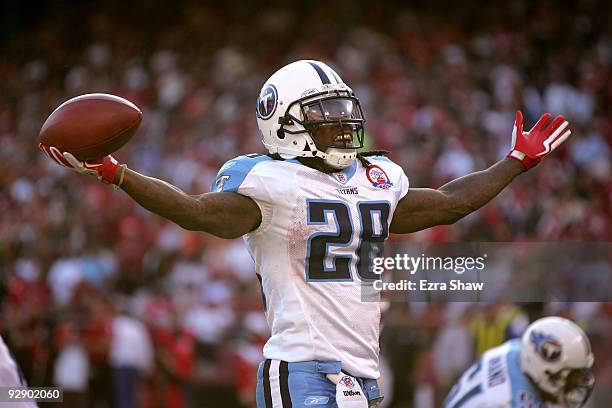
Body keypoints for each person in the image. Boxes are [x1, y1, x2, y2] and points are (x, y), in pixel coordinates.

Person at [40, 60, 572, 408]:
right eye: (323, 114)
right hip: (303, 366)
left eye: (343, 111)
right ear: (283, 124)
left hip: (361, 371)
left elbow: (452, 204)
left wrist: (515, 161)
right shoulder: (272, 182)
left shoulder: (375, 179)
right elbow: (196, 212)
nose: (340, 124)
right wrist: (118, 173)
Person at [443, 316, 595, 408]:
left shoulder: (516, 350)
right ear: (545, 371)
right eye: (571, 377)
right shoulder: (507, 401)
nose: (575, 384)